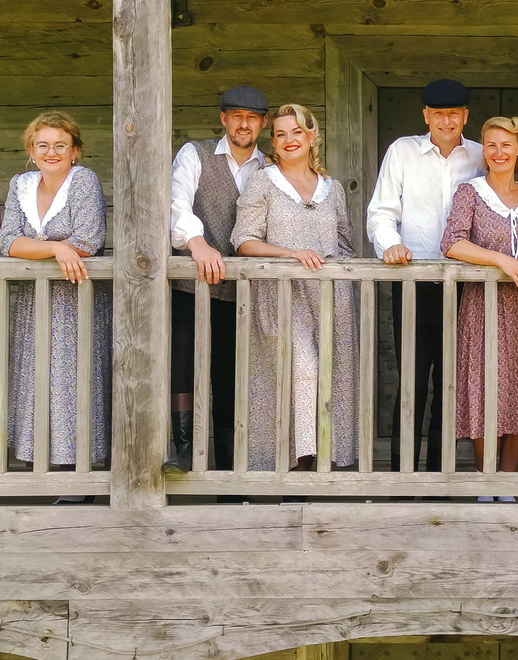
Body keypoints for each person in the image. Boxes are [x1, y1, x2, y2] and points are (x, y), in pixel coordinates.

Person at [231, 103, 361, 473]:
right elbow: (243, 240)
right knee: (301, 373)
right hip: (283, 298)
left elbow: (344, 243)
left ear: (312, 136)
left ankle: (326, 462)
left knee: (330, 376)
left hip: (330, 299)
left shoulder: (332, 188)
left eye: (297, 132)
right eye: (281, 133)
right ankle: (295, 465)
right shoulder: (263, 181)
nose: (289, 140)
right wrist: (290, 254)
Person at [442, 116, 518, 497]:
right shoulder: (471, 192)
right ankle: (485, 480)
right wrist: (501, 260)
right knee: (486, 389)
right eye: (491, 145)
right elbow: (452, 244)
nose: (499, 152)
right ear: (485, 150)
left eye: (506, 145)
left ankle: (508, 482)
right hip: (484, 308)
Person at [369, 78, 484, 471]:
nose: (446, 121)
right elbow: (382, 211)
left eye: (454, 113)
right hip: (413, 283)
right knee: (411, 385)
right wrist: (389, 243)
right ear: (426, 116)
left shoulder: (483, 157)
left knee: (453, 386)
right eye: (438, 114)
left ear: (466, 115)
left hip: (468, 289)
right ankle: (404, 476)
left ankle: (440, 475)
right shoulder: (402, 152)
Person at [0, 111, 109, 472]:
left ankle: (76, 468)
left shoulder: (83, 180)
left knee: (72, 380)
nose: (52, 152)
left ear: (75, 151)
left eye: (61, 145)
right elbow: (7, 241)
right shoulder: (21, 184)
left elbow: (89, 240)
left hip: (75, 295)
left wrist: (57, 248)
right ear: (31, 151)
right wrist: (57, 248)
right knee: (35, 376)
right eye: (43, 145)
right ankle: (40, 462)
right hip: (34, 299)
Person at [169, 85, 273, 470]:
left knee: (231, 376)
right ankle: (184, 450)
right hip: (191, 282)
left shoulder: (270, 167)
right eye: (236, 116)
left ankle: (230, 465)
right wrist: (196, 242)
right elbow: (176, 201)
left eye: (252, 118)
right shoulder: (194, 154)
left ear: (262, 123)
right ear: (223, 119)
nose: (243, 124)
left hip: (247, 291)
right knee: (184, 366)